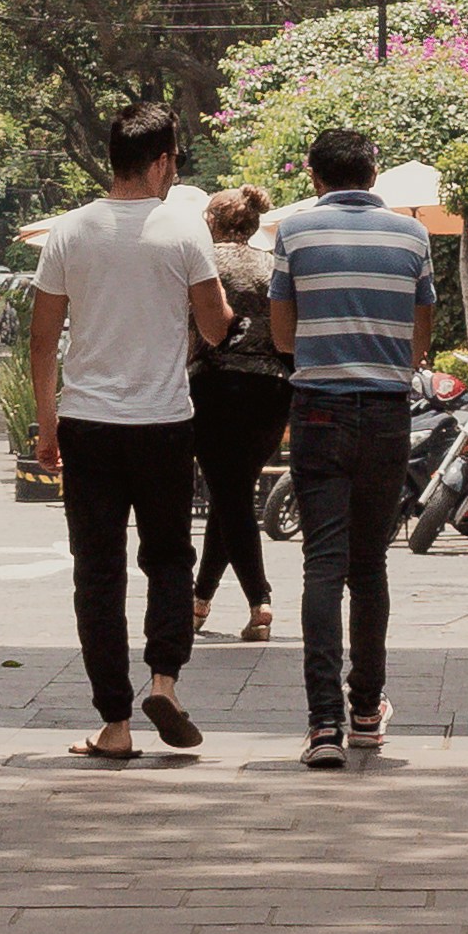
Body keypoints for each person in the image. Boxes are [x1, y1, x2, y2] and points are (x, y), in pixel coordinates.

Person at [29, 100, 231, 763]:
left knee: (98, 570)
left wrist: (46, 423)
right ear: (163, 159)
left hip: (87, 423)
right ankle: (165, 680)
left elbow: (41, 338)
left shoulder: (69, 229)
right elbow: (213, 325)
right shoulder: (183, 229)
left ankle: (115, 724)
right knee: (169, 557)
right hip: (164, 423)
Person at [267, 124, 436, 770]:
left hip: (316, 409)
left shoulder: (294, 233)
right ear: (375, 172)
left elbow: (284, 335)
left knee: (322, 565)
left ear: (314, 174)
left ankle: (322, 726)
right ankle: (367, 710)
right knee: (369, 567)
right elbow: (420, 337)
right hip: (388, 411)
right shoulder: (412, 234)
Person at [191, 184, 290, 642]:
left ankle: (260, 600)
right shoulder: (274, 265)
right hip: (272, 394)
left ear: (213, 222)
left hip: (216, 390)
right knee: (231, 495)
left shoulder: (203, 262)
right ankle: (199, 600)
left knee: (229, 497)